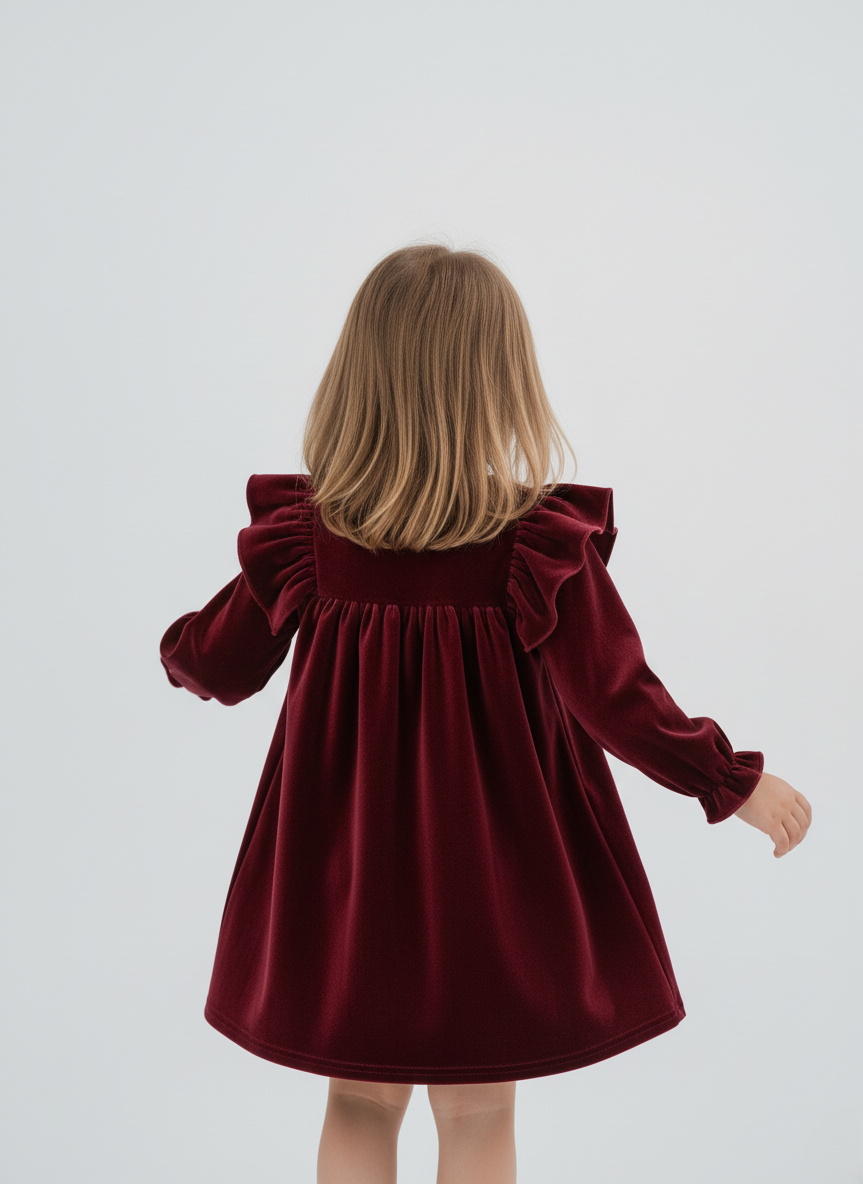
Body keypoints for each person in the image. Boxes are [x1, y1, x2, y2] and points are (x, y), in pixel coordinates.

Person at [158, 242, 812, 1184]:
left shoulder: (311, 542)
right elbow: (618, 697)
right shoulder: (536, 545)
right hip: (492, 874)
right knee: (478, 1113)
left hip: (343, 868)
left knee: (357, 1101)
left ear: (358, 380)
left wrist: (175, 651)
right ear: (500, 385)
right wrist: (730, 782)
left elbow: (217, 663)